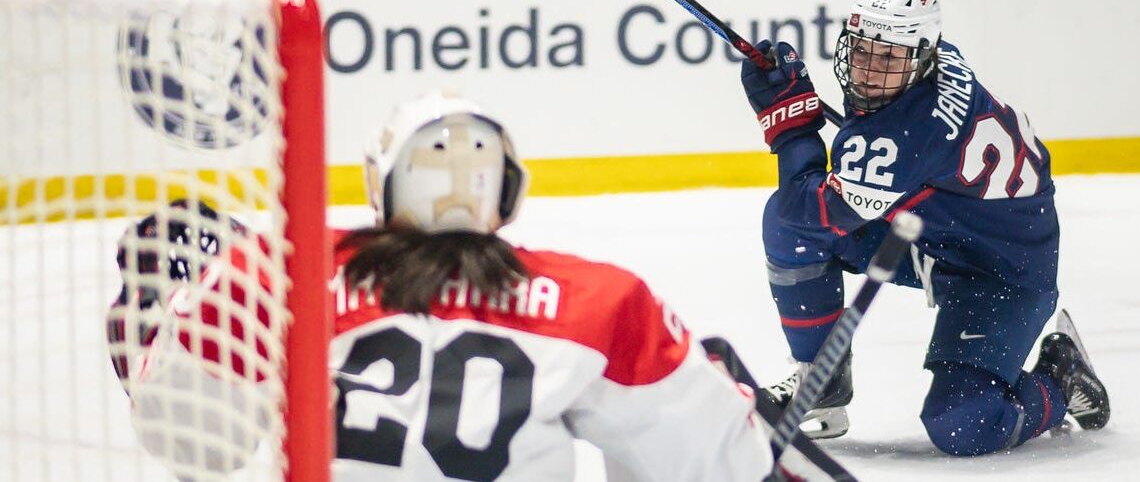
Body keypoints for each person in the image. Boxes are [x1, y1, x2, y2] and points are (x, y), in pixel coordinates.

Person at [108, 90, 851, 480]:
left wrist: (172, 320)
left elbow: (190, 445)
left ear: (379, 185)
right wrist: (723, 397)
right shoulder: (599, 303)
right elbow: (720, 467)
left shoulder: (277, 272)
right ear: (510, 189)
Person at [739, 0, 1110, 455]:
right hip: (939, 233)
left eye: (889, 57)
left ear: (921, 53)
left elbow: (809, 207)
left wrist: (791, 126)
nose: (870, 70)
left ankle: (1060, 378)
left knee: (962, 424)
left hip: (1006, 273)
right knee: (790, 228)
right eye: (863, 49)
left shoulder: (905, 138)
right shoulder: (938, 59)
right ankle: (822, 378)